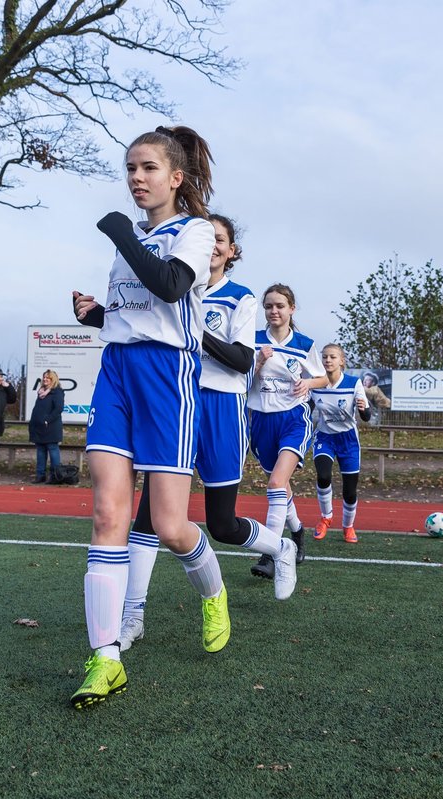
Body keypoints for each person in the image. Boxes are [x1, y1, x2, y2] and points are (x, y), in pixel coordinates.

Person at [67, 125, 233, 709]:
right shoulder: (131, 240)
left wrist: (121, 234)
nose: (136, 178)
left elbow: (169, 287)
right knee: (107, 510)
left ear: (176, 178)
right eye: (130, 169)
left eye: (148, 168)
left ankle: (213, 593)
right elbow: (133, 317)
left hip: (169, 381)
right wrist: (96, 316)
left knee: (168, 526)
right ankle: (105, 656)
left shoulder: (194, 231)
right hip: (117, 372)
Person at [119, 215, 298, 652]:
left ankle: (281, 550)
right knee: (148, 515)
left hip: (219, 407)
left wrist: (194, 333)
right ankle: (132, 614)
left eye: (221, 240)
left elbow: (240, 360)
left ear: (232, 251)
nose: (214, 246)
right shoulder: (175, 287)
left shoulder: (241, 298)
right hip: (177, 397)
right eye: (209, 239)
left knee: (221, 523)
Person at [247, 283, 329, 578]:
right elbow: (241, 379)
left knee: (275, 484)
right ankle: (297, 532)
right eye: (268, 306)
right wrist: (257, 363)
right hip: (262, 422)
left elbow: (324, 378)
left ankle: (270, 553)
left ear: (291, 309)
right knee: (280, 487)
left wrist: (309, 383)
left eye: (280, 306)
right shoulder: (253, 340)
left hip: (294, 419)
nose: (273, 311)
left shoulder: (304, 344)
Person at [310, 344, 369, 543]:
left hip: (348, 439)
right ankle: (326, 517)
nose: (328, 360)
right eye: (325, 357)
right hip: (325, 437)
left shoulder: (353, 383)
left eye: (332, 357)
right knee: (324, 475)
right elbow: (304, 408)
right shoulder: (315, 384)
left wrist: (362, 409)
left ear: (341, 361)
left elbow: (367, 416)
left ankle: (348, 526)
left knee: (350, 490)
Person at [29, 370, 65, 483]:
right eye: (44, 377)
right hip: (39, 427)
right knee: (40, 451)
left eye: (48, 378)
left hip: (51, 427)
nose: (45, 379)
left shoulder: (57, 392)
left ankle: (55, 476)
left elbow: (58, 409)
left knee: (53, 451)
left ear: (53, 379)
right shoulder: (41, 392)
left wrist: (47, 420)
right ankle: (40, 475)